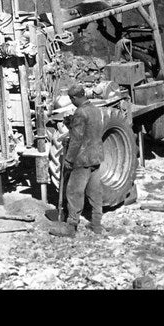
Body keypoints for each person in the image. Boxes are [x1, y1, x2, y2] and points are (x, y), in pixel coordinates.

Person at [49, 82, 105, 238]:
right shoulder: (95, 110)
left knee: (74, 192)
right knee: (95, 192)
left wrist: (69, 160)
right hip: (96, 157)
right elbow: (90, 130)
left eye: (71, 99)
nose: (71, 102)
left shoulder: (80, 113)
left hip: (82, 160)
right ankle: (96, 224)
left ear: (74, 98)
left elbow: (76, 139)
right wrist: (72, 123)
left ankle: (71, 227)